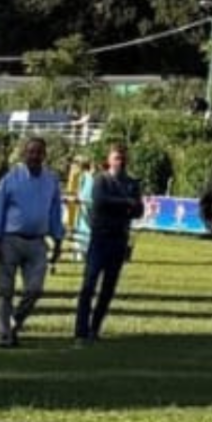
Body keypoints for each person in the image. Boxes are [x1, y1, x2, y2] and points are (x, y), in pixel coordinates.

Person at [0, 136, 65, 347]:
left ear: (44, 155)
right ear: (24, 154)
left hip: (38, 243)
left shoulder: (51, 181)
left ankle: (15, 322)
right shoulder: (11, 178)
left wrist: (58, 241)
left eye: (39, 152)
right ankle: (3, 335)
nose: (35, 156)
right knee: (5, 291)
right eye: (31, 152)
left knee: (35, 289)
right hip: (10, 239)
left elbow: (56, 212)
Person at [74, 142, 143, 344]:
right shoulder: (100, 180)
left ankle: (95, 328)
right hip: (100, 237)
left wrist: (128, 204)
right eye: (116, 158)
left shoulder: (132, 183)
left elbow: (139, 210)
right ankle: (81, 330)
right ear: (109, 160)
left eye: (123, 159)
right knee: (89, 285)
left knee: (108, 288)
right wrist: (126, 203)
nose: (120, 162)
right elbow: (101, 201)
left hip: (119, 238)